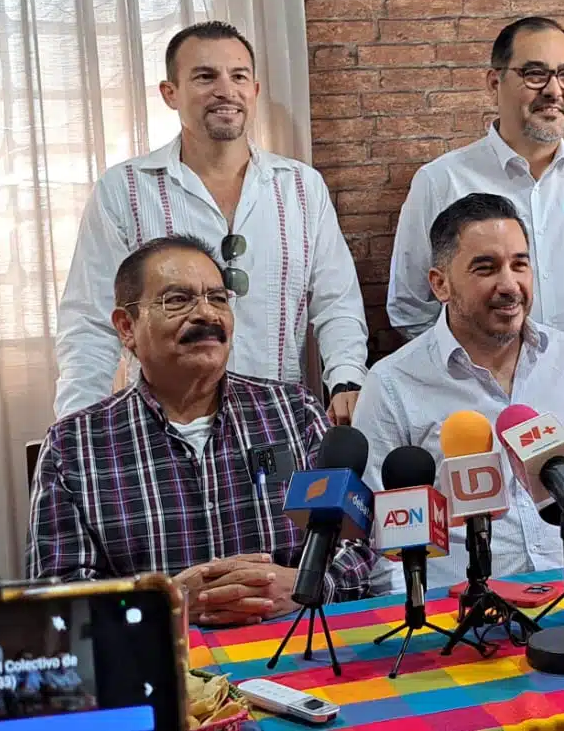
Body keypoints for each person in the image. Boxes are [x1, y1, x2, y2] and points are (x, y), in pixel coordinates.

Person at [30, 235, 374, 624]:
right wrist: (164, 604)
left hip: (297, 652)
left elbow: (361, 545)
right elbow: (57, 600)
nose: (206, 315)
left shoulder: (292, 412)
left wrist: (306, 586)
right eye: (177, 300)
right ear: (126, 327)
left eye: (218, 299)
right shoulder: (74, 446)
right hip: (161, 663)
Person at [56, 21, 367, 423]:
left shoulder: (300, 186)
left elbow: (336, 300)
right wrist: (78, 424)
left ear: (254, 91)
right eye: (205, 76)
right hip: (162, 426)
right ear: (171, 94)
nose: (225, 90)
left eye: (238, 76)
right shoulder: (124, 189)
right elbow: (90, 321)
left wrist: (345, 378)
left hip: (278, 419)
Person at [354, 193, 564, 592]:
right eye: (486, 268)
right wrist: (414, 615)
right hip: (459, 611)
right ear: (440, 284)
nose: (510, 285)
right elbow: (374, 534)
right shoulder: (393, 383)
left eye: (520, 264)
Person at [387, 16, 564, 374]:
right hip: (474, 393)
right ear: (495, 81)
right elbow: (410, 306)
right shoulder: (441, 181)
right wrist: (472, 369)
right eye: (535, 74)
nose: (554, 91)